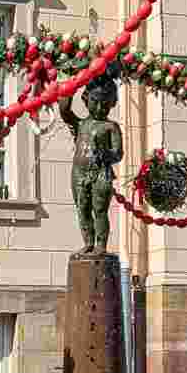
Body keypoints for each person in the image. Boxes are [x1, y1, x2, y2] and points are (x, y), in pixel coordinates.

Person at [58, 74, 122, 255]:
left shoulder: (111, 127)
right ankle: (88, 242)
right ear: (86, 99)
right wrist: (71, 85)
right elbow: (64, 111)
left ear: (112, 103)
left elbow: (118, 153)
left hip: (101, 172)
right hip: (79, 172)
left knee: (100, 209)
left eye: (105, 103)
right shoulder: (80, 124)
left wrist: (106, 154)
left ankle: (101, 244)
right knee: (83, 208)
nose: (100, 107)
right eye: (95, 101)